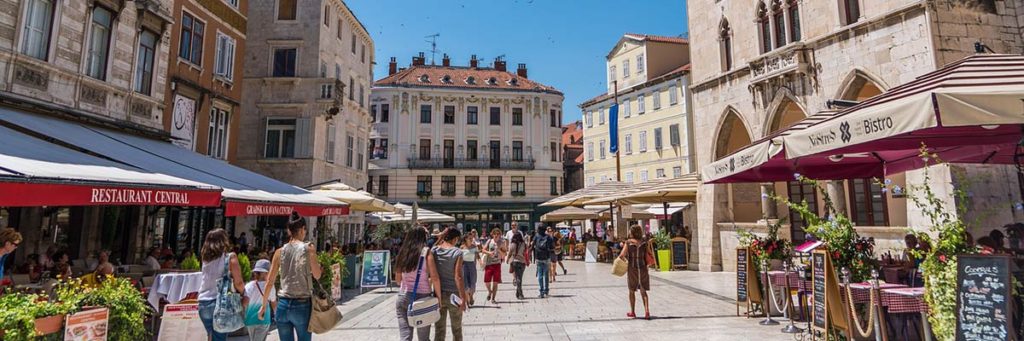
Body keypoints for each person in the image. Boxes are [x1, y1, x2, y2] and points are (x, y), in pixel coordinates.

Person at [259, 212, 322, 341]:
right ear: (302, 229)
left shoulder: (279, 252)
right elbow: (317, 275)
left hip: (283, 304)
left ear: (289, 231)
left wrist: (264, 305)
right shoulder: (308, 248)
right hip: (302, 304)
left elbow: (269, 281)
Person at [393, 227, 441, 341]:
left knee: (405, 337)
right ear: (423, 237)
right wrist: (439, 297)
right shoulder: (426, 252)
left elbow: (398, 280)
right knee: (423, 338)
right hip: (422, 298)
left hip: (403, 297)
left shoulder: (403, 252)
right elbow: (434, 277)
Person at [197, 229, 245, 341]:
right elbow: (238, 282)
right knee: (219, 337)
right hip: (220, 303)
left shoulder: (205, 259)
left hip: (203, 303)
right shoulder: (230, 257)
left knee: (211, 336)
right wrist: (244, 293)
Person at [431, 228, 467, 341]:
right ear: (455, 239)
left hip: (438, 294)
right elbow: (458, 277)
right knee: (456, 329)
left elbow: (430, 250)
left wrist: (441, 237)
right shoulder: (457, 252)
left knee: (439, 329)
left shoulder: (435, 250)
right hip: (454, 295)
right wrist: (463, 298)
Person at [619, 225, 653, 319]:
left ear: (632, 232)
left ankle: (633, 312)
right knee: (643, 291)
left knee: (631, 290)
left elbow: (622, 255)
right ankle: (647, 311)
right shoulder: (644, 242)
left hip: (632, 268)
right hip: (643, 267)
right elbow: (649, 253)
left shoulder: (628, 243)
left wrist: (626, 261)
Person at [245, 259, 276, 341]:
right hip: (264, 319)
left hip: (250, 320)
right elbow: (273, 302)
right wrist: (277, 315)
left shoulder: (249, 286)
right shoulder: (270, 286)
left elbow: (245, 302)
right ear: (266, 273)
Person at [480, 228, 505, 304]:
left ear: (500, 235)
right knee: (487, 281)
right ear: (492, 234)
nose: (496, 235)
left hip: (497, 264)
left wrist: (499, 249)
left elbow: (504, 254)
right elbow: (483, 250)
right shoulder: (489, 241)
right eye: (495, 234)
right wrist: (489, 253)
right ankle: (490, 291)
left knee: (495, 282)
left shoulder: (502, 242)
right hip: (489, 264)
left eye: (498, 234)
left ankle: (493, 298)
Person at [505, 230, 528, 300]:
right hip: (522, 262)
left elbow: (510, 252)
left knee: (518, 278)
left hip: (515, 261)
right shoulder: (524, 244)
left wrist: (507, 259)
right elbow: (526, 252)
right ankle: (518, 293)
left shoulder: (513, 244)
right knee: (520, 278)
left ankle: (520, 294)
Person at [460, 230, 480, 306]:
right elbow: (459, 258)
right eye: (469, 238)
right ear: (465, 239)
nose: (471, 239)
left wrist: (480, 262)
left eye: (472, 238)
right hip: (464, 266)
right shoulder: (462, 247)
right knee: (465, 284)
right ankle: (467, 299)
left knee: (472, 283)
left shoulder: (474, 247)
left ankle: (471, 296)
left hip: (472, 266)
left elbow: (477, 256)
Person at [533, 227, 555, 298]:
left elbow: (532, 245)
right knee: (546, 275)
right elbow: (552, 247)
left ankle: (541, 291)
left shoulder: (536, 236)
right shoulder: (548, 237)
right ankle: (546, 291)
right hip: (546, 258)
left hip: (539, 258)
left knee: (540, 275)